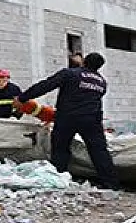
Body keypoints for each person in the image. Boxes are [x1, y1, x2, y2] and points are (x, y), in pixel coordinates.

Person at [13, 52, 120, 189]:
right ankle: (110, 183)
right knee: (99, 151)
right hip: (92, 119)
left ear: (84, 61)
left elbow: (46, 85)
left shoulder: (70, 73)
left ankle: (59, 178)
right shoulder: (101, 82)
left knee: (60, 148)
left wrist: (23, 98)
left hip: (67, 117)